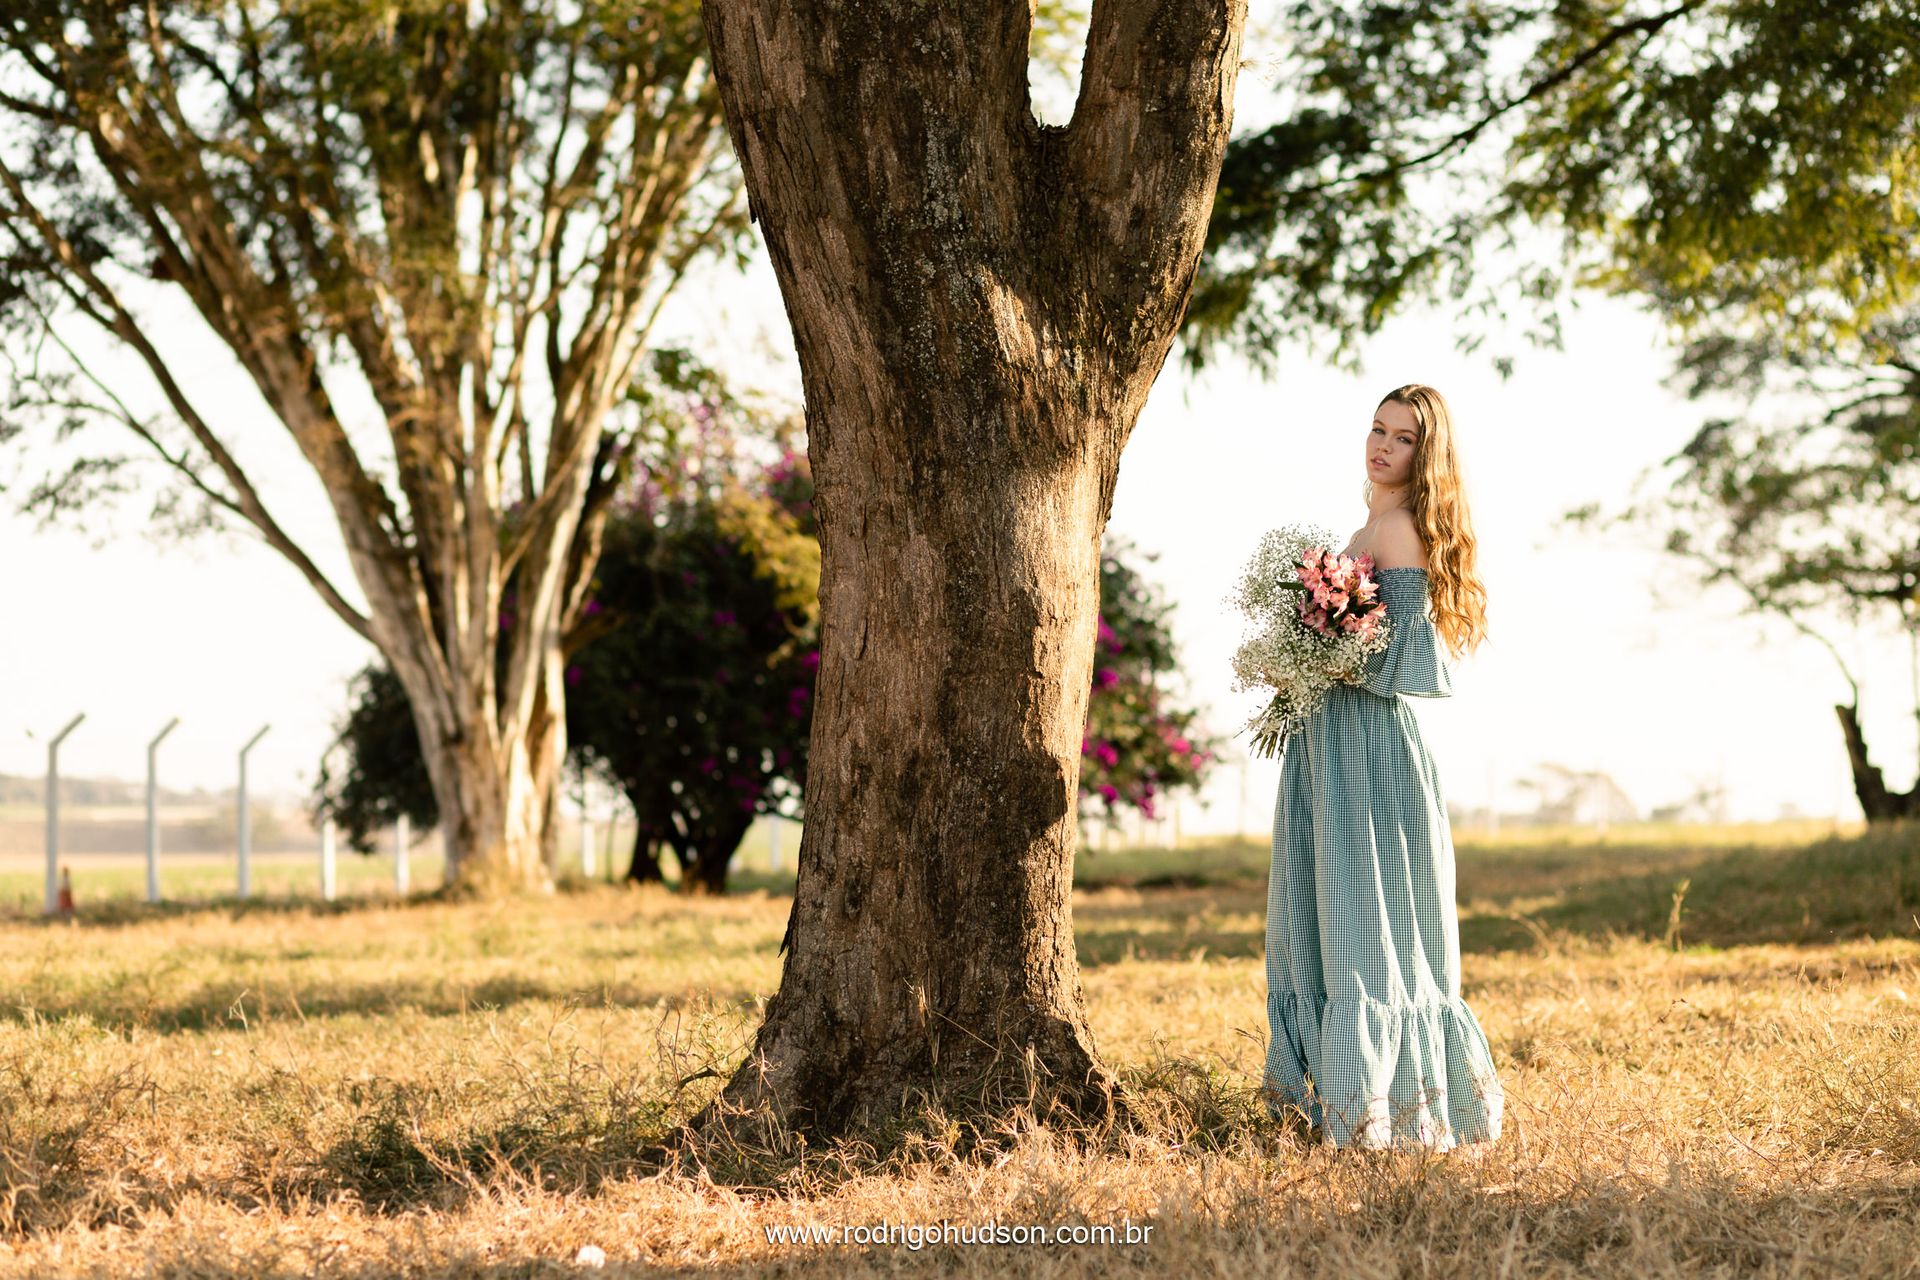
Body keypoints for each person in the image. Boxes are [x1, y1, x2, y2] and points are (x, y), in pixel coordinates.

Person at [1262, 383, 1503, 1150]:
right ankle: (1342, 1100)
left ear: (1423, 455)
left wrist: (1311, 656)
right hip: (1332, 742)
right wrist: (1296, 659)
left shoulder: (1396, 530)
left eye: (1401, 437)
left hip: (1364, 748)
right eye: (1377, 429)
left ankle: (1378, 1112)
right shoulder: (1373, 520)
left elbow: (1398, 657)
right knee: (1331, 918)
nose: (1382, 445)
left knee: (1365, 925)